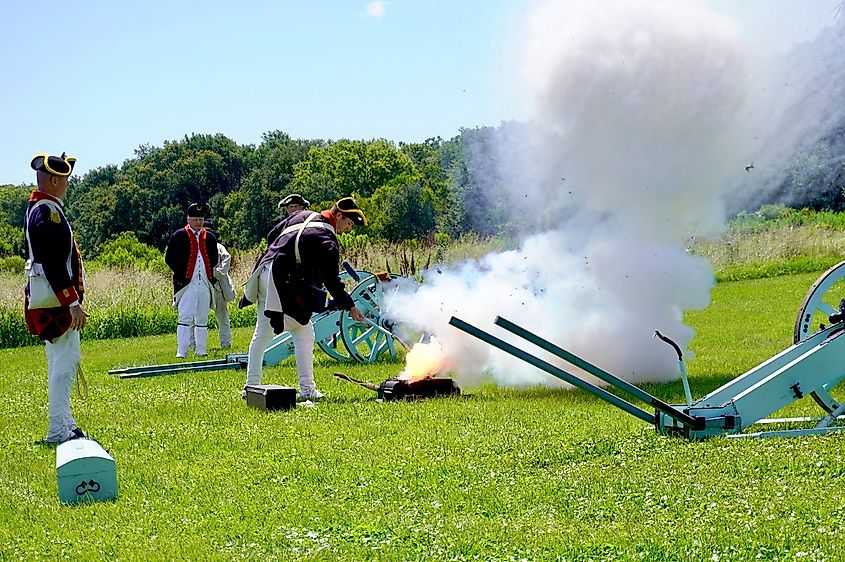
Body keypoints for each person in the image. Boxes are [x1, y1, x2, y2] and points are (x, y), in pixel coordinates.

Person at [241, 197, 366, 400]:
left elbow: (272, 234)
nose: (348, 229)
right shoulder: (327, 239)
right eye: (349, 223)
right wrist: (350, 306)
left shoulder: (303, 215)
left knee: (265, 334)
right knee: (302, 331)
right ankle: (307, 389)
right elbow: (332, 280)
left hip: (264, 270)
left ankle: (251, 386)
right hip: (280, 278)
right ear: (339, 215)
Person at [23, 152, 88, 444]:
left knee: (61, 362)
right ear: (53, 179)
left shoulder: (43, 208)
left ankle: (65, 423)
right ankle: (58, 430)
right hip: (56, 302)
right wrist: (72, 302)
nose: (66, 185)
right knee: (65, 363)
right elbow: (52, 263)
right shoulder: (47, 212)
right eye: (64, 180)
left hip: (53, 300)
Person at [164, 203, 219, 358]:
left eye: (200, 219)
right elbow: (169, 258)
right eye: (195, 219)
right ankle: (182, 351)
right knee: (185, 317)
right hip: (187, 283)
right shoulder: (179, 235)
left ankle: (201, 349)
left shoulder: (209, 237)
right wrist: (181, 273)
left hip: (204, 282)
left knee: (202, 317)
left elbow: (214, 258)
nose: (198, 222)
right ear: (188, 219)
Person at [211, 241, 235, 349]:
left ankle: (225, 344)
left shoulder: (218, 247)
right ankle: (195, 345)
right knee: (196, 318)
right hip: (201, 286)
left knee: (222, 316)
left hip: (218, 286)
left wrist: (216, 274)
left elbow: (227, 259)